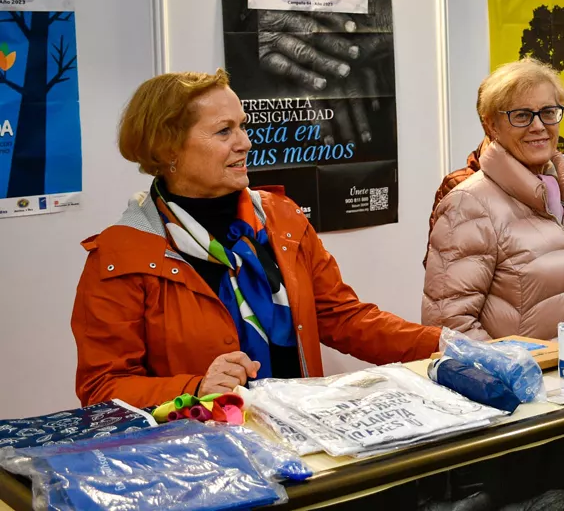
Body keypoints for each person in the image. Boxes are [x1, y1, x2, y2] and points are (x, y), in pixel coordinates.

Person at [71, 70, 441, 408]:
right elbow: (102, 388)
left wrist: (441, 345)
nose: (245, 143)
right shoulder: (121, 254)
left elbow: (340, 317)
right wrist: (195, 388)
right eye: (224, 131)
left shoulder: (281, 217)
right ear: (168, 148)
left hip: (298, 433)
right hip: (202, 457)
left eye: (243, 127)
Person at [423, 59, 564, 340]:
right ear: (491, 125)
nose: (539, 126)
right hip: (517, 382)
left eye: (548, 112)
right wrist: (518, 375)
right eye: (521, 115)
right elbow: (448, 325)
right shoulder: (468, 204)